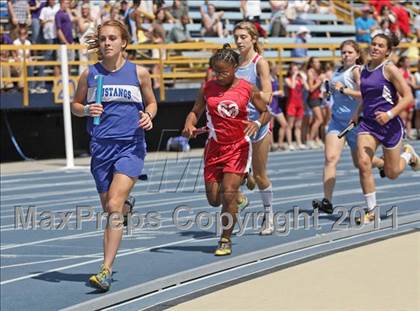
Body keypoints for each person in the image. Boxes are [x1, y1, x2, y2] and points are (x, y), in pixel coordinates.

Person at [71, 20, 158, 291]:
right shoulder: (90, 74)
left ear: (124, 42)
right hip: (101, 148)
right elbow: (75, 105)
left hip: (130, 147)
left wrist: (148, 115)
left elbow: (152, 102)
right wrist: (85, 111)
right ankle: (127, 208)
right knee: (111, 207)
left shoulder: (139, 73)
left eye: (112, 38)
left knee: (112, 207)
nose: (107, 43)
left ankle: (105, 269)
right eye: (103, 38)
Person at [182, 44, 271, 256]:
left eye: (224, 72)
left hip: (238, 146)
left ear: (234, 69)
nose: (220, 76)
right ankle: (241, 186)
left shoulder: (247, 88)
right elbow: (195, 111)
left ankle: (225, 239)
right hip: (214, 148)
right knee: (214, 200)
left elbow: (266, 113)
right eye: (216, 72)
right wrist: (189, 124)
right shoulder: (207, 88)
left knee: (228, 193)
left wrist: (257, 124)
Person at [354, 33, 419, 223]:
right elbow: (367, 97)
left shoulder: (390, 69)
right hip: (368, 124)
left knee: (392, 174)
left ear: (387, 52)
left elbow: (408, 97)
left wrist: (389, 114)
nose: (375, 48)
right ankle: (371, 211)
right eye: (373, 44)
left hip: (390, 126)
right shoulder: (363, 69)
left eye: (380, 46)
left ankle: (408, 155)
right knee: (363, 162)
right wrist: (356, 113)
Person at [312, 40, 383, 213]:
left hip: (354, 124)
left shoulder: (357, 71)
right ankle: (327, 201)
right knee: (330, 158)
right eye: (343, 52)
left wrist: (344, 90)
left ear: (357, 55)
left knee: (359, 163)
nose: (346, 55)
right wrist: (329, 91)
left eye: (350, 52)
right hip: (337, 122)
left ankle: (381, 163)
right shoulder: (337, 72)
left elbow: (365, 96)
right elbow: (333, 92)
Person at [233, 21, 274, 235]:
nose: (239, 41)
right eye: (236, 37)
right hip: (236, 125)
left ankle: (269, 217)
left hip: (258, 124)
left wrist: (250, 91)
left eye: (243, 37)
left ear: (253, 39)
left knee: (260, 176)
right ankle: (240, 196)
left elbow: (267, 96)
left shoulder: (260, 63)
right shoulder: (233, 62)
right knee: (229, 174)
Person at [285, 63, 309, 150]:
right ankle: (290, 143)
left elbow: (307, 88)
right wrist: (294, 76)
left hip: (300, 104)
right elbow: (292, 86)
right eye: (294, 70)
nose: (296, 71)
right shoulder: (288, 79)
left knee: (298, 125)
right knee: (290, 125)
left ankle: (299, 143)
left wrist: (303, 79)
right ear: (291, 71)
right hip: (292, 104)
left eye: (296, 70)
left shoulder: (299, 80)